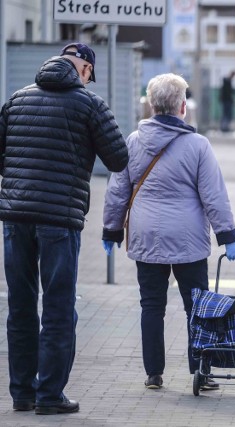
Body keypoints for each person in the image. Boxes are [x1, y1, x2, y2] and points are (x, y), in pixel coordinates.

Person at [0, 42, 129, 414]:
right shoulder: (89, 104)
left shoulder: (17, 98)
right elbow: (119, 159)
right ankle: (49, 396)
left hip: (16, 218)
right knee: (58, 308)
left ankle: (22, 392)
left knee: (20, 306)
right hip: (59, 220)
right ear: (85, 70)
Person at [102, 73, 235, 390]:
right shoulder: (198, 145)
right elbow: (214, 196)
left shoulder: (135, 141)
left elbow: (117, 191)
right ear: (182, 106)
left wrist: (111, 230)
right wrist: (229, 236)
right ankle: (201, 372)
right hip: (187, 239)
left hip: (146, 235)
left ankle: (153, 373)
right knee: (196, 306)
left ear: (151, 106)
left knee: (151, 305)